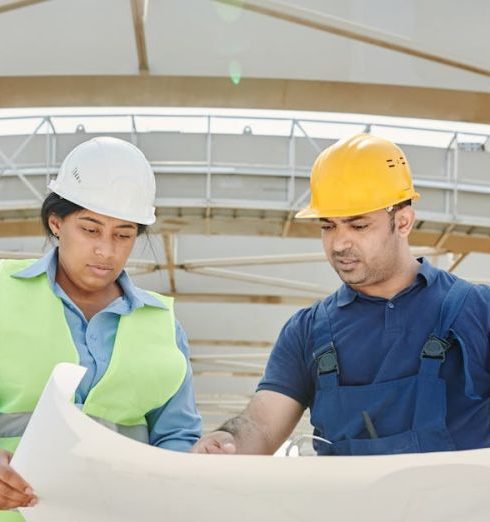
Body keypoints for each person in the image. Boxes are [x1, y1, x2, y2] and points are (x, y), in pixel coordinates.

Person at [192, 132, 490, 456]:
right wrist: (225, 442)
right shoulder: (308, 331)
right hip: (346, 507)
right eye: (328, 226)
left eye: (358, 226)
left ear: (403, 222)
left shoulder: (478, 311)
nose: (339, 243)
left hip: (460, 506)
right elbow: (261, 426)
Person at [0, 137, 201, 517]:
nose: (106, 251)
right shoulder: (2, 294)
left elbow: (177, 436)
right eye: (91, 230)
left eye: (123, 235)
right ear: (56, 223)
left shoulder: (162, 325)